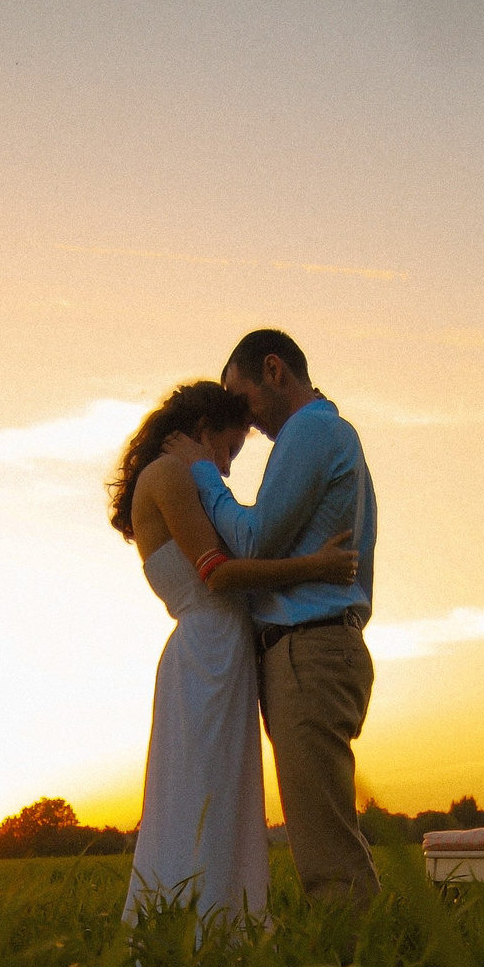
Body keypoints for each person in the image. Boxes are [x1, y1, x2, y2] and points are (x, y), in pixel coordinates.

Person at [111, 380, 358, 926]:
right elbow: (216, 573)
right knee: (201, 795)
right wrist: (314, 567)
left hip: (223, 654)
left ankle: (223, 930)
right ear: (202, 430)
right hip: (208, 654)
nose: (223, 467)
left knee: (224, 797)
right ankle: (192, 931)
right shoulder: (169, 474)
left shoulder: (182, 478)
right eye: (225, 450)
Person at [163, 330, 379, 906]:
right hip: (312, 649)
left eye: (244, 395)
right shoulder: (327, 436)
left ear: (275, 370)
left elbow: (254, 542)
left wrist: (204, 471)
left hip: (309, 650)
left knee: (325, 848)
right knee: (322, 831)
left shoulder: (312, 431)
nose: (246, 418)